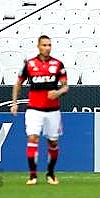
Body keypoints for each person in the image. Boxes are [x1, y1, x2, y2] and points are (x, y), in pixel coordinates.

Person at [10, 35, 69, 186]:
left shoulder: (58, 64)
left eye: (49, 45)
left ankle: (50, 173)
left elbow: (65, 86)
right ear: (38, 46)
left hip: (53, 110)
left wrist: (58, 92)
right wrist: (15, 103)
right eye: (44, 45)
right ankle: (33, 175)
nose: (47, 48)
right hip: (34, 110)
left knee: (53, 142)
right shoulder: (29, 64)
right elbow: (17, 84)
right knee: (32, 139)